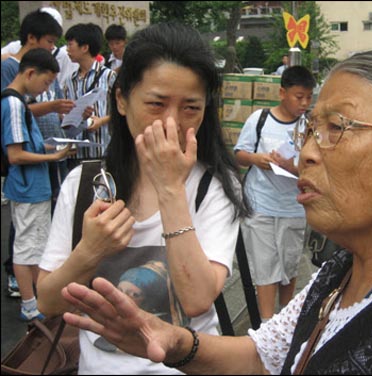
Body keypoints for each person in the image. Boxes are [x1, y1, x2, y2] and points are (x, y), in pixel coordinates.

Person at [59, 49, 372, 374]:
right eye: (311, 128)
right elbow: (262, 358)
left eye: (337, 128)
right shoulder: (344, 270)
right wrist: (175, 343)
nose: (306, 152)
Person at [36, 21, 251, 374]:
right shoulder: (84, 182)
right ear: (121, 100)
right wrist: (90, 251)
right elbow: (47, 301)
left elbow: (197, 301)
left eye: (190, 108)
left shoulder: (214, 186)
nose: (172, 122)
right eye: (156, 103)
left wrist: (170, 190)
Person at [1, 8, 75, 299]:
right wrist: (52, 157)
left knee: (32, 247)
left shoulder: (17, 102)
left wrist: (49, 149)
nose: (45, 89)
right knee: (25, 250)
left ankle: (37, 298)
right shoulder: (15, 104)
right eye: (45, 84)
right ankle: (32, 303)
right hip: (28, 187)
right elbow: (16, 154)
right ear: (29, 72)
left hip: (33, 187)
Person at [234, 65, 315, 323]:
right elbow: (239, 155)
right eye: (298, 96)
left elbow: (316, 165)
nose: (304, 103)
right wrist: (256, 159)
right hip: (261, 204)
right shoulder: (259, 119)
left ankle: (286, 317)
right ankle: (268, 324)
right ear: (282, 92)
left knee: (289, 265)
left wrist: (291, 167)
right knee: (265, 267)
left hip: (293, 206)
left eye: (308, 97)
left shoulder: (310, 127)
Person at [62, 23, 117, 170]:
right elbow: (64, 114)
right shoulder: (69, 81)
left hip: (102, 149)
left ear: (85, 47)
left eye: (70, 44)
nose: (67, 49)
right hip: (76, 152)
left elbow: (124, 107)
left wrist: (102, 120)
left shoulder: (109, 76)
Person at [1, 7, 79, 85]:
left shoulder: (49, 69)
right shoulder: (7, 69)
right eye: (50, 41)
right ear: (31, 38)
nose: (52, 47)